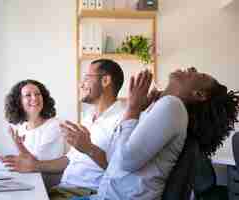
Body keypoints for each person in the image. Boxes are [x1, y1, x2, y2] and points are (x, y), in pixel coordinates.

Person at [63, 67, 239, 200]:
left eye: (199, 75)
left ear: (199, 94)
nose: (192, 69)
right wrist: (139, 111)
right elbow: (114, 158)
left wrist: (133, 108)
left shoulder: (173, 105)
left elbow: (125, 161)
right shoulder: (162, 107)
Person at [2, 59, 126, 199]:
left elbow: (121, 171)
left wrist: (89, 148)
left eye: (86, 78)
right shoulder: (88, 117)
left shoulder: (122, 120)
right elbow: (68, 160)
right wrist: (34, 165)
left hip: (87, 192)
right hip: (63, 189)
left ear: (105, 80)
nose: (81, 84)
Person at [0, 79, 65, 162]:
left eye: (38, 94)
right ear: (19, 102)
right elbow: (25, 158)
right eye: (28, 95)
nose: (34, 98)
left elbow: (36, 164)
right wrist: (8, 159)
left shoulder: (55, 125)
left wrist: (19, 145)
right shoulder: (21, 128)